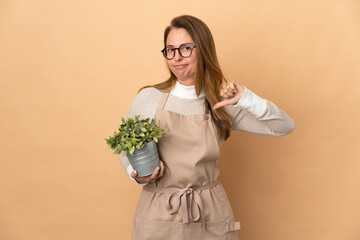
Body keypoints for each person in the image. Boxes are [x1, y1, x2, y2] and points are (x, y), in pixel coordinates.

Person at [118, 15, 295, 240]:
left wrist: (246, 98)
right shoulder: (149, 99)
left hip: (211, 212)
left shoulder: (221, 102)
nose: (176, 57)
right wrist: (137, 176)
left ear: (203, 50)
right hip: (158, 213)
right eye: (170, 50)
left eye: (186, 48)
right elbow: (126, 149)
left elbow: (284, 126)